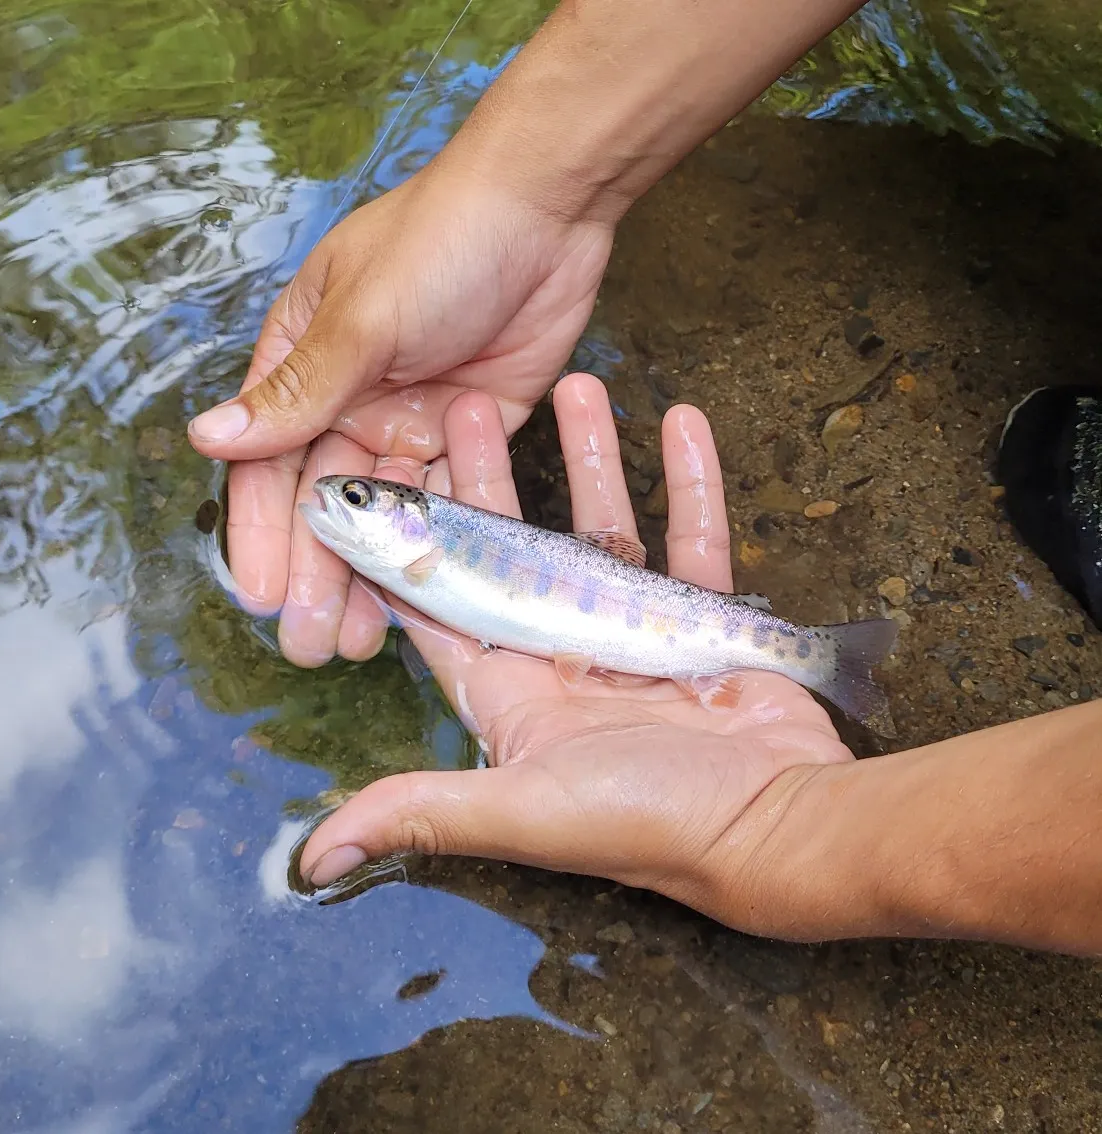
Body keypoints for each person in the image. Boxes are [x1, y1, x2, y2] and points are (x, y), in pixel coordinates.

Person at [185, 0, 1102, 957]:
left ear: (409, 519)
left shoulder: (421, 552)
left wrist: (788, 836)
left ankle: (811, 653)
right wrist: (528, 192)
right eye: (357, 497)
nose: (341, 499)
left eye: (360, 496)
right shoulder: (415, 554)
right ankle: (814, 652)